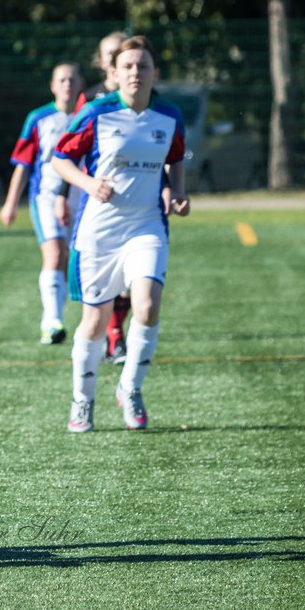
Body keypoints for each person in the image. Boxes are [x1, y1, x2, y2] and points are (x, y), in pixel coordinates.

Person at [50, 35, 190, 433]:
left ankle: (130, 388)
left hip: (146, 227)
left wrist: (178, 193)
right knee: (95, 322)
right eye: (127, 66)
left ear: (154, 73)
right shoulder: (96, 112)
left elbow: (176, 157)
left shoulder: (168, 115)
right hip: (99, 233)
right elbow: (61, 160)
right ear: (114, 73)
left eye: (142, 66)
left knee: (146, 304)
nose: (135, 72)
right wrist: (89, 184)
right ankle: (82, 401)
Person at [0, 62, 85, 345]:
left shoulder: (88, 116)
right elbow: (23, 165)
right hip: (45, 198)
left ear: (81, 84)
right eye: (62, 79)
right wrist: (11, 202)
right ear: (52, 85)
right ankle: (51, 320)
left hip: (81, 198)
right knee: (54, 254)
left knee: (67, 259)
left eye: (72, 79)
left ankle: (55, 316)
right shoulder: (38, 118)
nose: (67, 84)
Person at [70, 30, 132, 363]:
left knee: (135, 280)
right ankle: (111, 335)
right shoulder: (91, 100)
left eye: (119, 52)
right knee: (102, 278)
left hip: (139, 204)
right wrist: (70, 191)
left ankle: (118, 335)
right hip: (97, 202)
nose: (113, 59)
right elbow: (69, 154)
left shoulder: (145, 97)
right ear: (101, 61)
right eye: (109, 53)